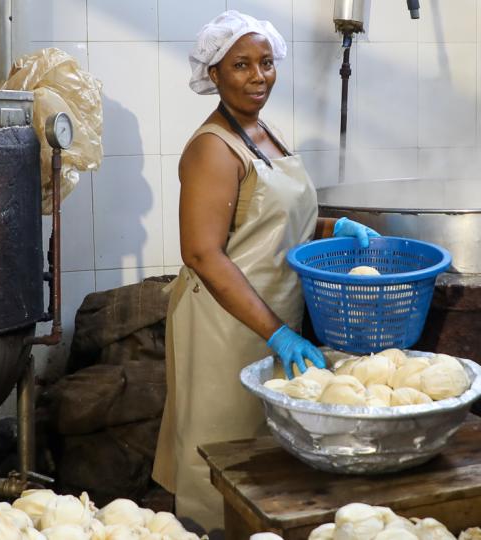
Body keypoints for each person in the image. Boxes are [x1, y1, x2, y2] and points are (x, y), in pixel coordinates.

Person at [152, 10, 381, 531]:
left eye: (265, 63)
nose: (258, 77)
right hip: (223, 329)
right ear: (214, 73)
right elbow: (204, 254)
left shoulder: (263, 130)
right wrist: (276, 332)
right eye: (241, 65)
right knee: (223, 456)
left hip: (271, 318)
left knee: (265, 461)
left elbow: (269, 223)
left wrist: (330, 227)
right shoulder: (213, 148)